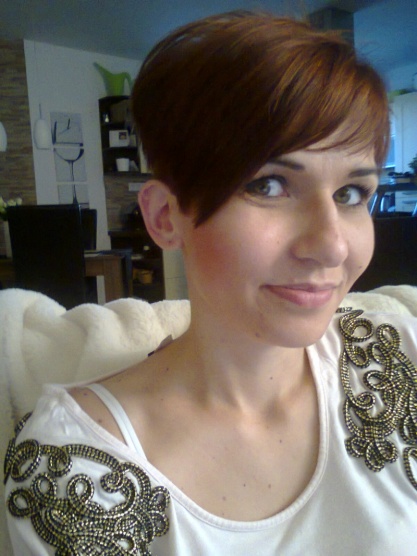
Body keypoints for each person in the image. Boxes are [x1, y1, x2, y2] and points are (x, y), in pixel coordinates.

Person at [4, 10, 417, 555]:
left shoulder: (399, 358)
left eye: (351, 194)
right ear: (164, 217)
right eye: (268, 185)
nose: (332, 246)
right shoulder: (75, 470)